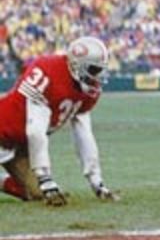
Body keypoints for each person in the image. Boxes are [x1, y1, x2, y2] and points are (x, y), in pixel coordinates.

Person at [0, 36, 118, 205]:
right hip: (3, 130)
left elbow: (84, 135)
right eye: (93, 70)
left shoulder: (86, 91)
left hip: (19, 143)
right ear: (77, 65)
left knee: (37, 193)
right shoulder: (49, 71)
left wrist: (97, 182)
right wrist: (45, 177)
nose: (97, 77)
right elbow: (35, 131)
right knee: (45, 186)